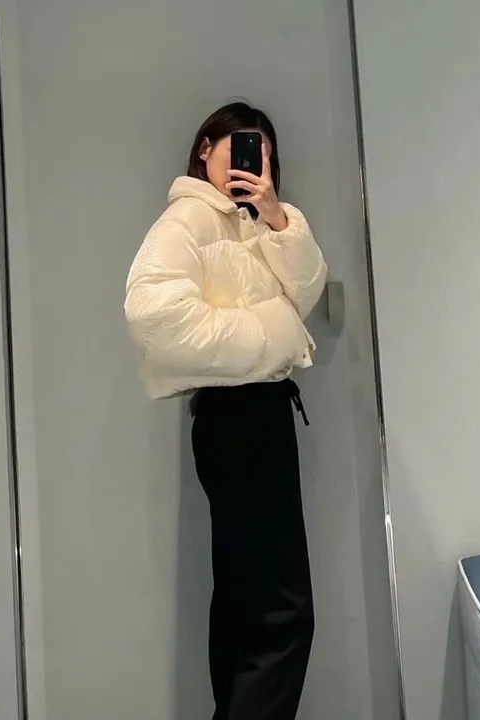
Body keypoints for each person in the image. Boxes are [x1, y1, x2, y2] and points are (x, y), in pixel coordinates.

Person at [124, 102, 327, 720]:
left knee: (246, 602)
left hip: (255, 418)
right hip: (239, 418)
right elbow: (154, 318)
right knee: (279, 612)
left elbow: (307, 292)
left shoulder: (260, 224)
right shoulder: (189, 218)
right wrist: (272, 333)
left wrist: (276, 216)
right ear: (205, 149)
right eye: (238, 145)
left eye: (261, 152)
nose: (248, 161)